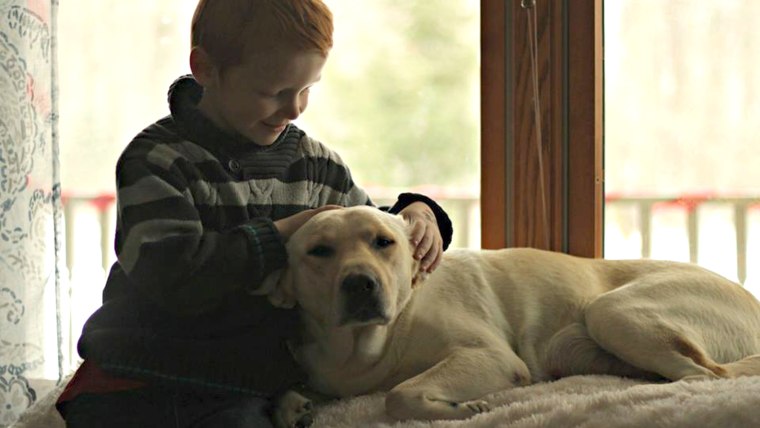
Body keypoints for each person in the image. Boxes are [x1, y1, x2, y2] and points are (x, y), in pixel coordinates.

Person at [55, 0, 453, 426]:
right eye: (274, 92)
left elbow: (368, 231)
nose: (295, 109)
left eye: (307, 89)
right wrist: (280, 235)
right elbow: (170, 275)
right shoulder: (158, 160)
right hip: (138, 371)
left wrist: (420, 212)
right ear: (205, 69)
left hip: (243, 381)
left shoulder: (317, 167)